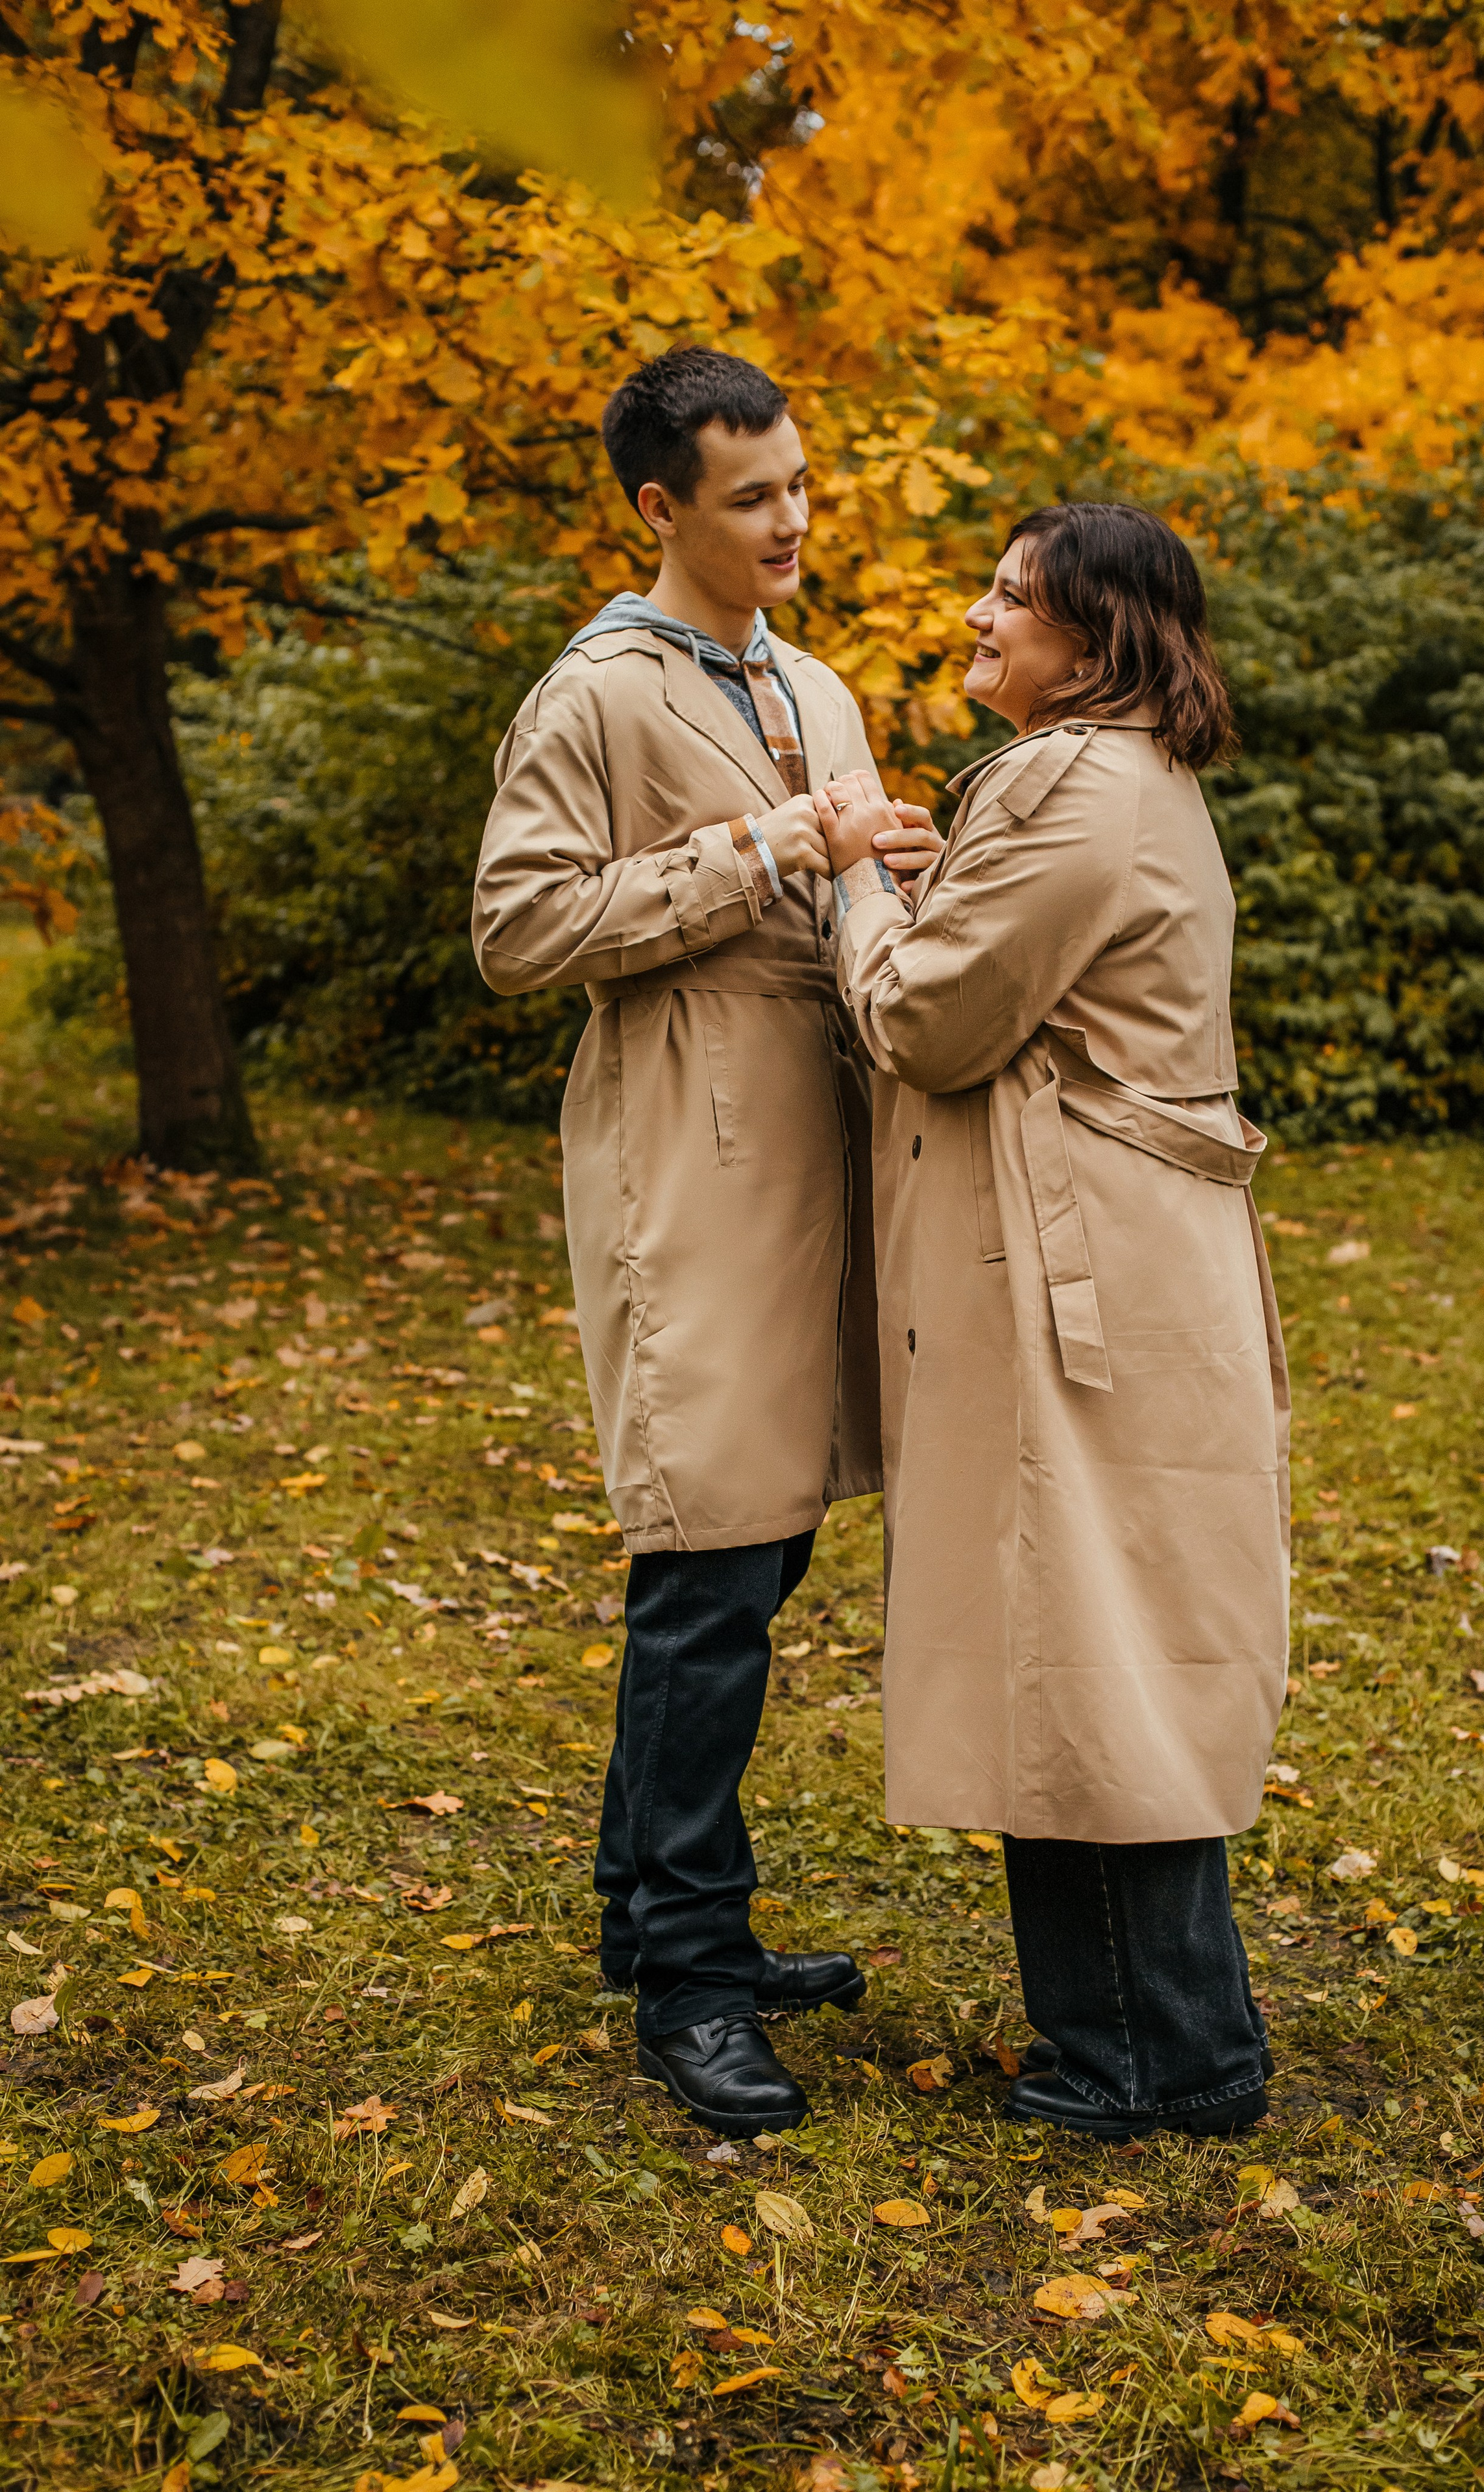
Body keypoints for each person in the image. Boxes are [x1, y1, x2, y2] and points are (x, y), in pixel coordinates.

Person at [472, 347, 939, 2136]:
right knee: (709, 1566)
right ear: (663, 508)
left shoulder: (817, 681)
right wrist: (761, 853)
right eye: (754, 497)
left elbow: (846, 883)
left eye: (802, 486)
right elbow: (521, 931)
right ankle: (689, 1972)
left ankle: (640, 1907)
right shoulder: (589, 696)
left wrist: (894, 868)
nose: (793, 520)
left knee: (764, 1546)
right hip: (692, 1158)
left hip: (832, 1148)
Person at [816, 501, 1289, 2141]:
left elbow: (934, 1021)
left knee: (1083, 1654)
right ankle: (1154, 2041)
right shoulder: (1114, 776)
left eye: (1012, 598)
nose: (975, 612)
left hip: (1069, 1269)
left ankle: (1150, 2061)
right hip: (1104, 1256)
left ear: (1095, 642)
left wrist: (853, 894)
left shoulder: (1073, 780)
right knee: (1096, 1645)